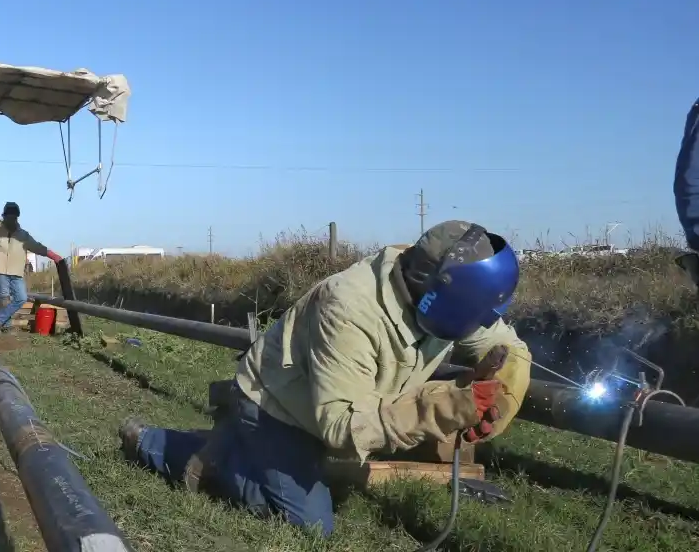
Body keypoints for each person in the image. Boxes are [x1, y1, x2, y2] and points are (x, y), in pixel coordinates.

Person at [118, 220, 532, 535]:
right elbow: (341, 427)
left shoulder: (448, 295)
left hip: (331, 404)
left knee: (310, 485)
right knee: (312, 524)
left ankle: (232, 448)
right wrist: (440, 407)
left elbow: (509, 348)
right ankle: (183, 451)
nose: (477, 324)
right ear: (440, 293)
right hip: (274, 406)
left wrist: (505, 396)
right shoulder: (349, 309)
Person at [0, 202, 62, 333]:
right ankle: (7, 326)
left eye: (13, 217)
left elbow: (37, 246)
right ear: (4, 216)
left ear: (17, 218)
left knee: (21, 298)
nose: (11, 220)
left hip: (16, 271)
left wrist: (51, 254)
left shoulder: (23, 235)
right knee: (4, 297)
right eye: (8, 217)